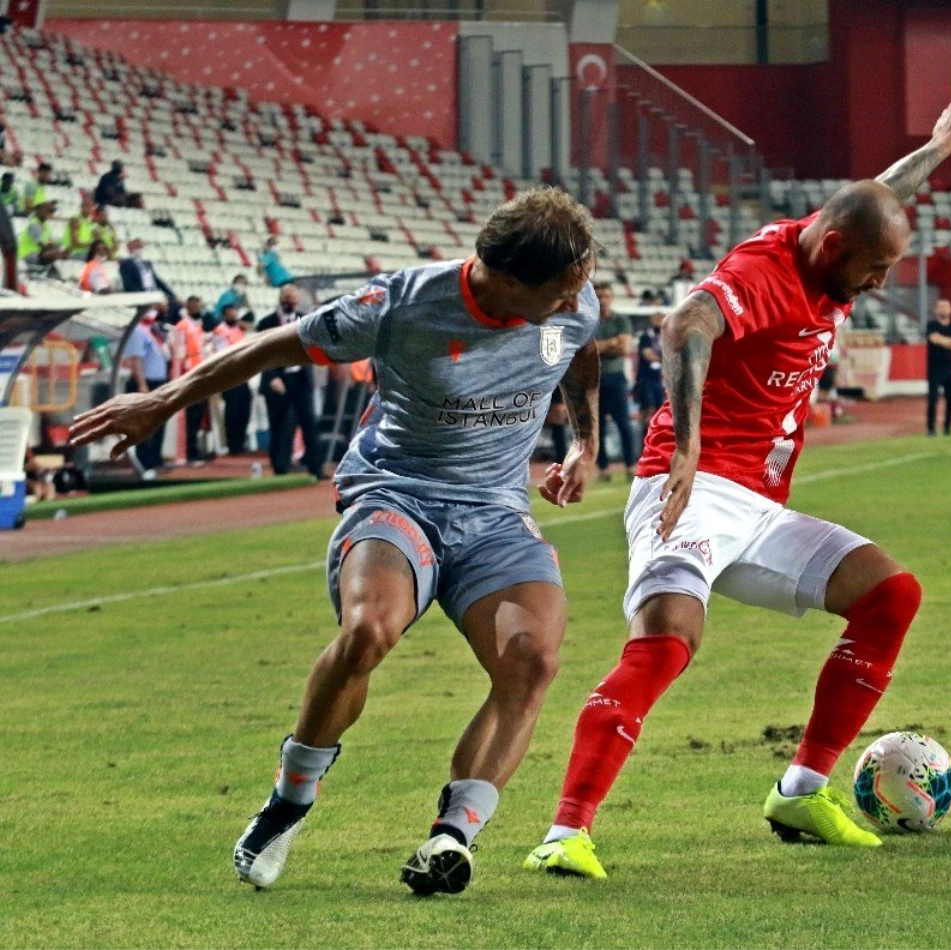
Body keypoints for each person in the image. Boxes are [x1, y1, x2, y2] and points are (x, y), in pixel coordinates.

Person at [69, 186, 602, 896]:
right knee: (367, 632)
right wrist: (163, 400)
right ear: (502, 278)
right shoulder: (405, 304)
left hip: (497, 511)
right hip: (397, 492)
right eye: (560, 295)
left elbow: (577, 349)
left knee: (532, 660)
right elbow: (271, 348)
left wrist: (585, 443)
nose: (575, 304)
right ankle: (288, 803)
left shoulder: (571, 303)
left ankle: (453, 836)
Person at [523, 101, 951, 879]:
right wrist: (690, 447)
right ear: (835, 247)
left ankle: (801, 791)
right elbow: (684, 326)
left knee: (891, 596)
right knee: (666, 643)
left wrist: (940, 147)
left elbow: (874, 194)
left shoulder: (830, 241)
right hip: (691, 489)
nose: (878, 284)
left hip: (758, 507)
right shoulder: (767, 274)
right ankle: (567, 831)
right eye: (874, 269)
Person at [256, 284, 322, 478]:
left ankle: (315, 467)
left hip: (301, 379)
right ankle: (280, 467)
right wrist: (272, 377)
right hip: (277, 380)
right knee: (279, 424)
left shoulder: (306, 320)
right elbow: (261, 354)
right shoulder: (266, 323)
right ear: (280, 299)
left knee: (309, 422)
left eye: (294, 299)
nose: (291, 302)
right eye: (287, 298)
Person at [119, 309, 170, 478]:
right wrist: (142, 384)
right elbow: (135, 358)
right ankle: (145, 462)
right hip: (146, 382)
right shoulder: (137, 331)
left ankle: (156, 459)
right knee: (145, 424)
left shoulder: (153, 330)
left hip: (158, 381)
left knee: (158, 422)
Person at [593, 281, 637, 480]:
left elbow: (625, 349)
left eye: (606, 296)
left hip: (616, 379)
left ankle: (630, 466)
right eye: (599, 296)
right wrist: (612, 343)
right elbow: (584, 350)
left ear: (611, 298)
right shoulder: (589, 320)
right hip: (594, 379)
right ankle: (604, 469)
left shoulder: (621, 319)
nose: (603, 300)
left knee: (624, 425)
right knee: (598, 428)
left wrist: (598, 347)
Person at [210, 303, 253, 454]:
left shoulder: (239, 329)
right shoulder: (220, 331)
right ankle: (233, 444)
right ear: (224, 315)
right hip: (229, 376)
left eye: (234, 312)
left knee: (244, 409)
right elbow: (223, 353)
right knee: (232, 411)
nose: (233, 316)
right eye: (230, 313)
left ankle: (241, 441)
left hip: (243, 375)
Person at [171, 297, 209, 463]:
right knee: (191, 415)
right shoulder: (183, 326)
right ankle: (189, 451)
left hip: (200, 371)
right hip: (189, 373)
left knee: (198, 414)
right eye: (196, 305)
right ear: (190, 307)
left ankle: (195, 448)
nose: (198, 308)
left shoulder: (198, 326)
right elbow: (179, 350)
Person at [926, 298, 951, 436]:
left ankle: (948, 427)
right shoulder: (931, 325)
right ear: (935, 310)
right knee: (932, 399)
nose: (943, 309)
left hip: (950, 367)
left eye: (946, 306)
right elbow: (934, 339)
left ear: (950, 310)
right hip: (934, 367)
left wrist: (944, 341)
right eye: (940, 307)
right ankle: (931, 429)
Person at [634, 311, 666, 447]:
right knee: (648, 412)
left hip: (660, 380)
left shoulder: (665, 337)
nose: (659, 323)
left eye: (661, 320)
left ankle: (657, 445)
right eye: (656, 319)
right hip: (646, 380)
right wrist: (665, 359)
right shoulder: (645, 337)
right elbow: (647, 355)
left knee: (660, 414)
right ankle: (645, 447)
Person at [17, 200, 66, 268]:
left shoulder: (45, 226)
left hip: (38, 254)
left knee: (62, 252)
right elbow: (42, 245)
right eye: (48, 210)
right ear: (39, 210)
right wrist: (52, 247)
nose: (50, 213)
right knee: (54, 253)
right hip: (28, 255)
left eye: (52, 211)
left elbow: (51, 241)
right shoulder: (34, 224)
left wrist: (57, 245)